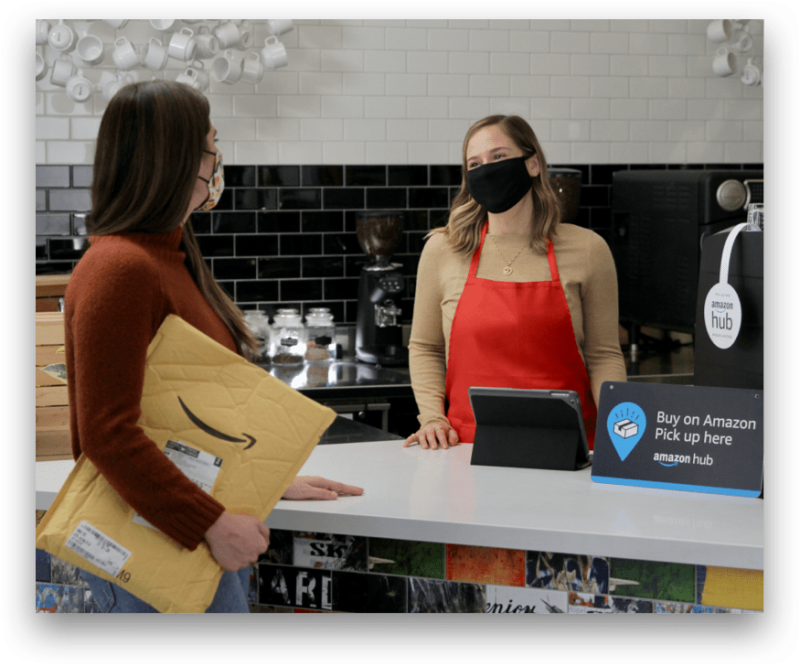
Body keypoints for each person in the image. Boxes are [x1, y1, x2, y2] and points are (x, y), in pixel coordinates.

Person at [64, 81, 363, 613]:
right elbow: (108, 435)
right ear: (175, 158)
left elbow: (180, 417)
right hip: (154, 547)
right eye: (210, 146)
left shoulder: (169, 256)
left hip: (185, 536)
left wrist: (259, 484)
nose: (217, 161)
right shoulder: (119, 267)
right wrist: (210, 521)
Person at [404, 115, 626, 451]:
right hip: (467, 450)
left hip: (572, 448)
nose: (487, 170)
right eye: (474, 164)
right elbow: (425, 347)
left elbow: (604, 354)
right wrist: (432, 418)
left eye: (498, 157)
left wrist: (618, 434)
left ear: (533, 163)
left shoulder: (588, 249)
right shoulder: (442, 250)